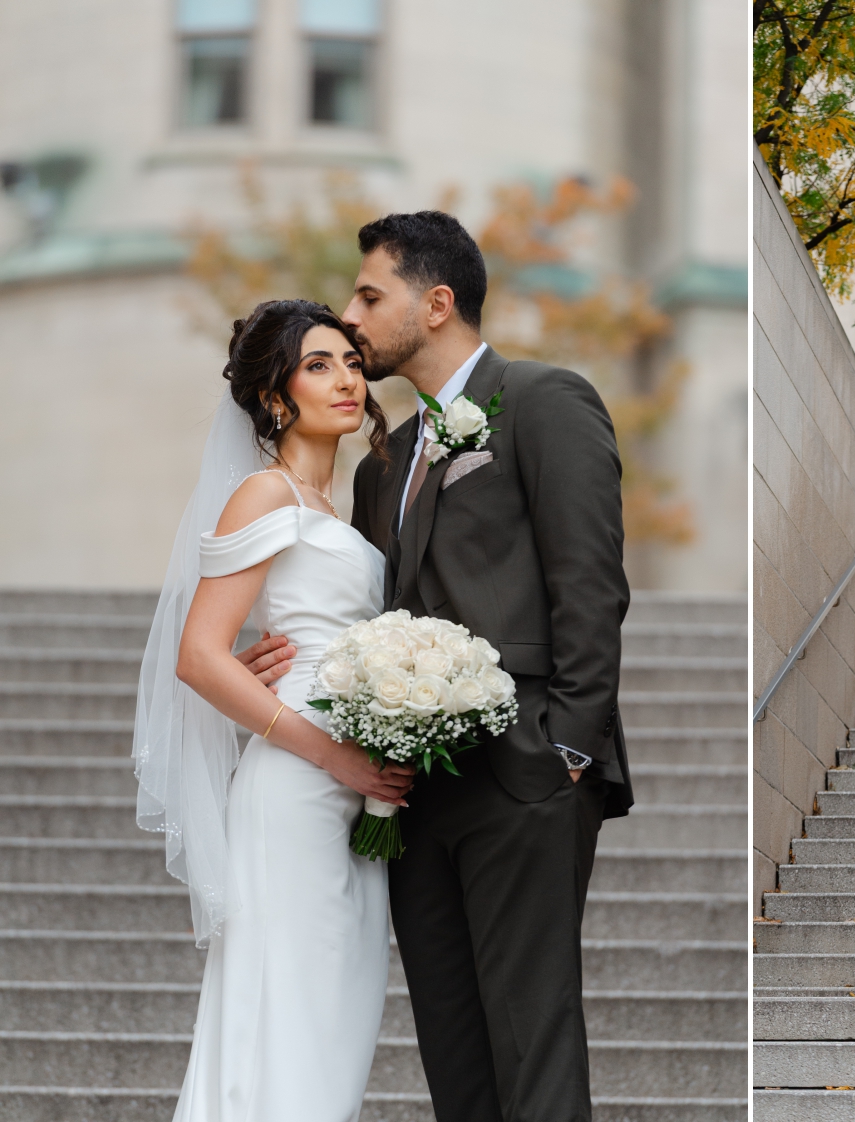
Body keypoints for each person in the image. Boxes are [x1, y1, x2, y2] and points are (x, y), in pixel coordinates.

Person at [345, 211, 633, 1122]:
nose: (351, 317)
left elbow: (589, 583)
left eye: (369, 295)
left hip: (526, 772)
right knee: (454, 1055)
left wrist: (568, 750)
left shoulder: (546, 399)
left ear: (436, 304)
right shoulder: (380, 465)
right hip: (414, 791)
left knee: (531, 1039)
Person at [133, 300, 414, 1120]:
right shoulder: (263, 494)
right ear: (276, 395)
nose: (347, 379)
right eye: (319, 365)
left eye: (354, 363)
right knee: (283, 1021)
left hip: (353, 789)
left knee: (334, 1021)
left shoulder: (344, 512)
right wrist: (332, 756)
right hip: (296, 788)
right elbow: (198, 654)